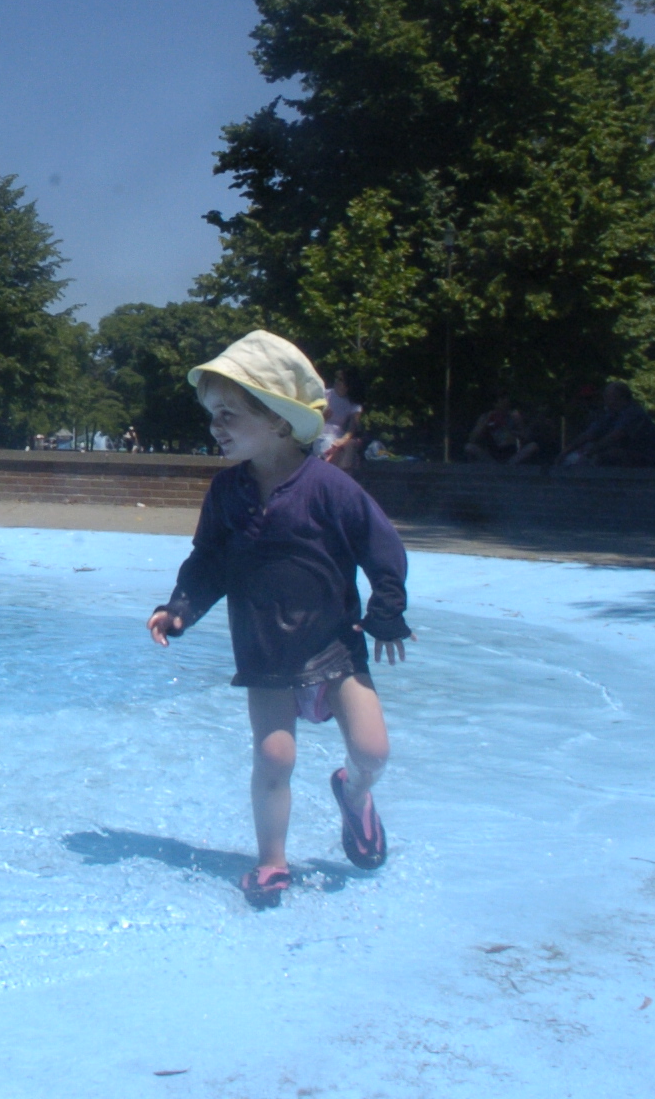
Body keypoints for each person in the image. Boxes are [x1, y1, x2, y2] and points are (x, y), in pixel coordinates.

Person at [146, 329, 412, 909]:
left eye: (229, 413)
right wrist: (180, 607)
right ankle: (271, 861)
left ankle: (355, 794)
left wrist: (387, 610)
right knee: (273, 759)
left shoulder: (331, 488)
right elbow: (209, 559)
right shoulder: (227, 492)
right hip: (264, 649)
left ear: (280, 421)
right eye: (212, 414)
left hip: (335, 644)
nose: (216, 426)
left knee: (373, 751)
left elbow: (382, 547)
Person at [559, 381, 655, 468]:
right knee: (588, 449)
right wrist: (566, 451)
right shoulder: (611, 415)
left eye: (608, 397)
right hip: (627, 455)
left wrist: (589, 452)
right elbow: (590, 434)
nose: (605, 401)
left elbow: (615, 436)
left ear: (620, 397)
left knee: (608, 455)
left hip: (645, 457)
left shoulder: (634, 413)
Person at [463, 392, 542, 465]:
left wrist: (514, 431)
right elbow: (472, 439)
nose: (505, 402)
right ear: (495, 403)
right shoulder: (485, 417)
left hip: (511, 457)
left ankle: (509, 467)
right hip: (491, 458)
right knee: (469, 447)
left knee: (533, 446)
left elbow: (526, 437)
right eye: (502, 399)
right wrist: (486, 423)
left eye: (506, 399)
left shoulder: (514, 416)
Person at [314, 369, 365, 473]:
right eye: (336, 378)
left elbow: (352, 428)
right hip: (320, 432)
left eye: (340, 380)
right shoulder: (325, 395)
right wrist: (323, 417)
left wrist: (342, 440)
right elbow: (313, 419)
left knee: (343, 447)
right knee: (327, 444)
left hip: (337, 435)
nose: (336, 381)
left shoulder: (353, 403)